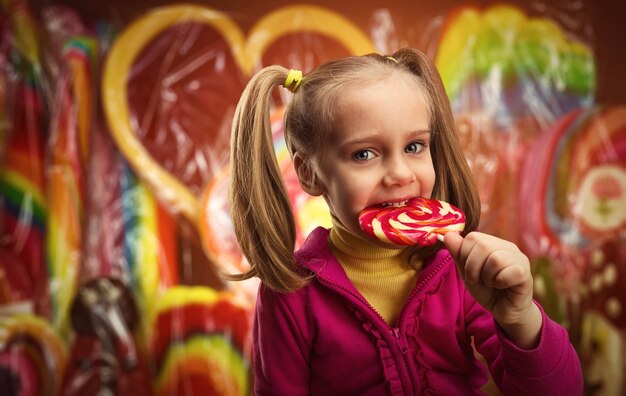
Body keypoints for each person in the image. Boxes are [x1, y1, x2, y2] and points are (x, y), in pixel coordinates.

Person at [228, 48, 583, 395]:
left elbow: (563, 390)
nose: (399, 174)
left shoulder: (459, 270)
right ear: (309, 173)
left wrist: (520, 318)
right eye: (364, 154)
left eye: (415, 147)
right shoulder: (291, 294)